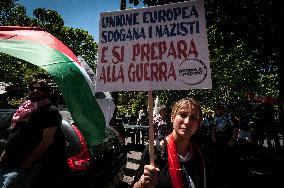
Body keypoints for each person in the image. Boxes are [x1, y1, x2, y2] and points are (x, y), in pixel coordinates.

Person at [0, 78, 66, 188]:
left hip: (25, 167)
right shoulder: (25, 109)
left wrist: (26, 165)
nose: (35, 91)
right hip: (7, 164)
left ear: (47, 92)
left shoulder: (50, 111)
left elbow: (46, 141)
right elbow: (14, 135)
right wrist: (3, 157)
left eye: (40, 89)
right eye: (32, 88)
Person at [132, 98, 206, 188]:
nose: (187, 122)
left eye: (194, 118)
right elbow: (134, 185)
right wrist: (142, 183)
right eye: (182, 115)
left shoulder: (201, 152)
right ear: (172, 117)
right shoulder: (155, 150)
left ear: (198, 124)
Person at [211, 104, 239, 187]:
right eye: (217, 109)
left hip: (227, 138)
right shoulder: (215, 117)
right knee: (219, 158)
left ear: (224, 110)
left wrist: (233, 139)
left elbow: (236, 127)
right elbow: (214, 127)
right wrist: (212, 136)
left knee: (228, 159)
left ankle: (230, 178)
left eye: (220, 109)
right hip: (218, 139)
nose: (218, 111)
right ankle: (220, 177)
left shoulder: (229, 116)